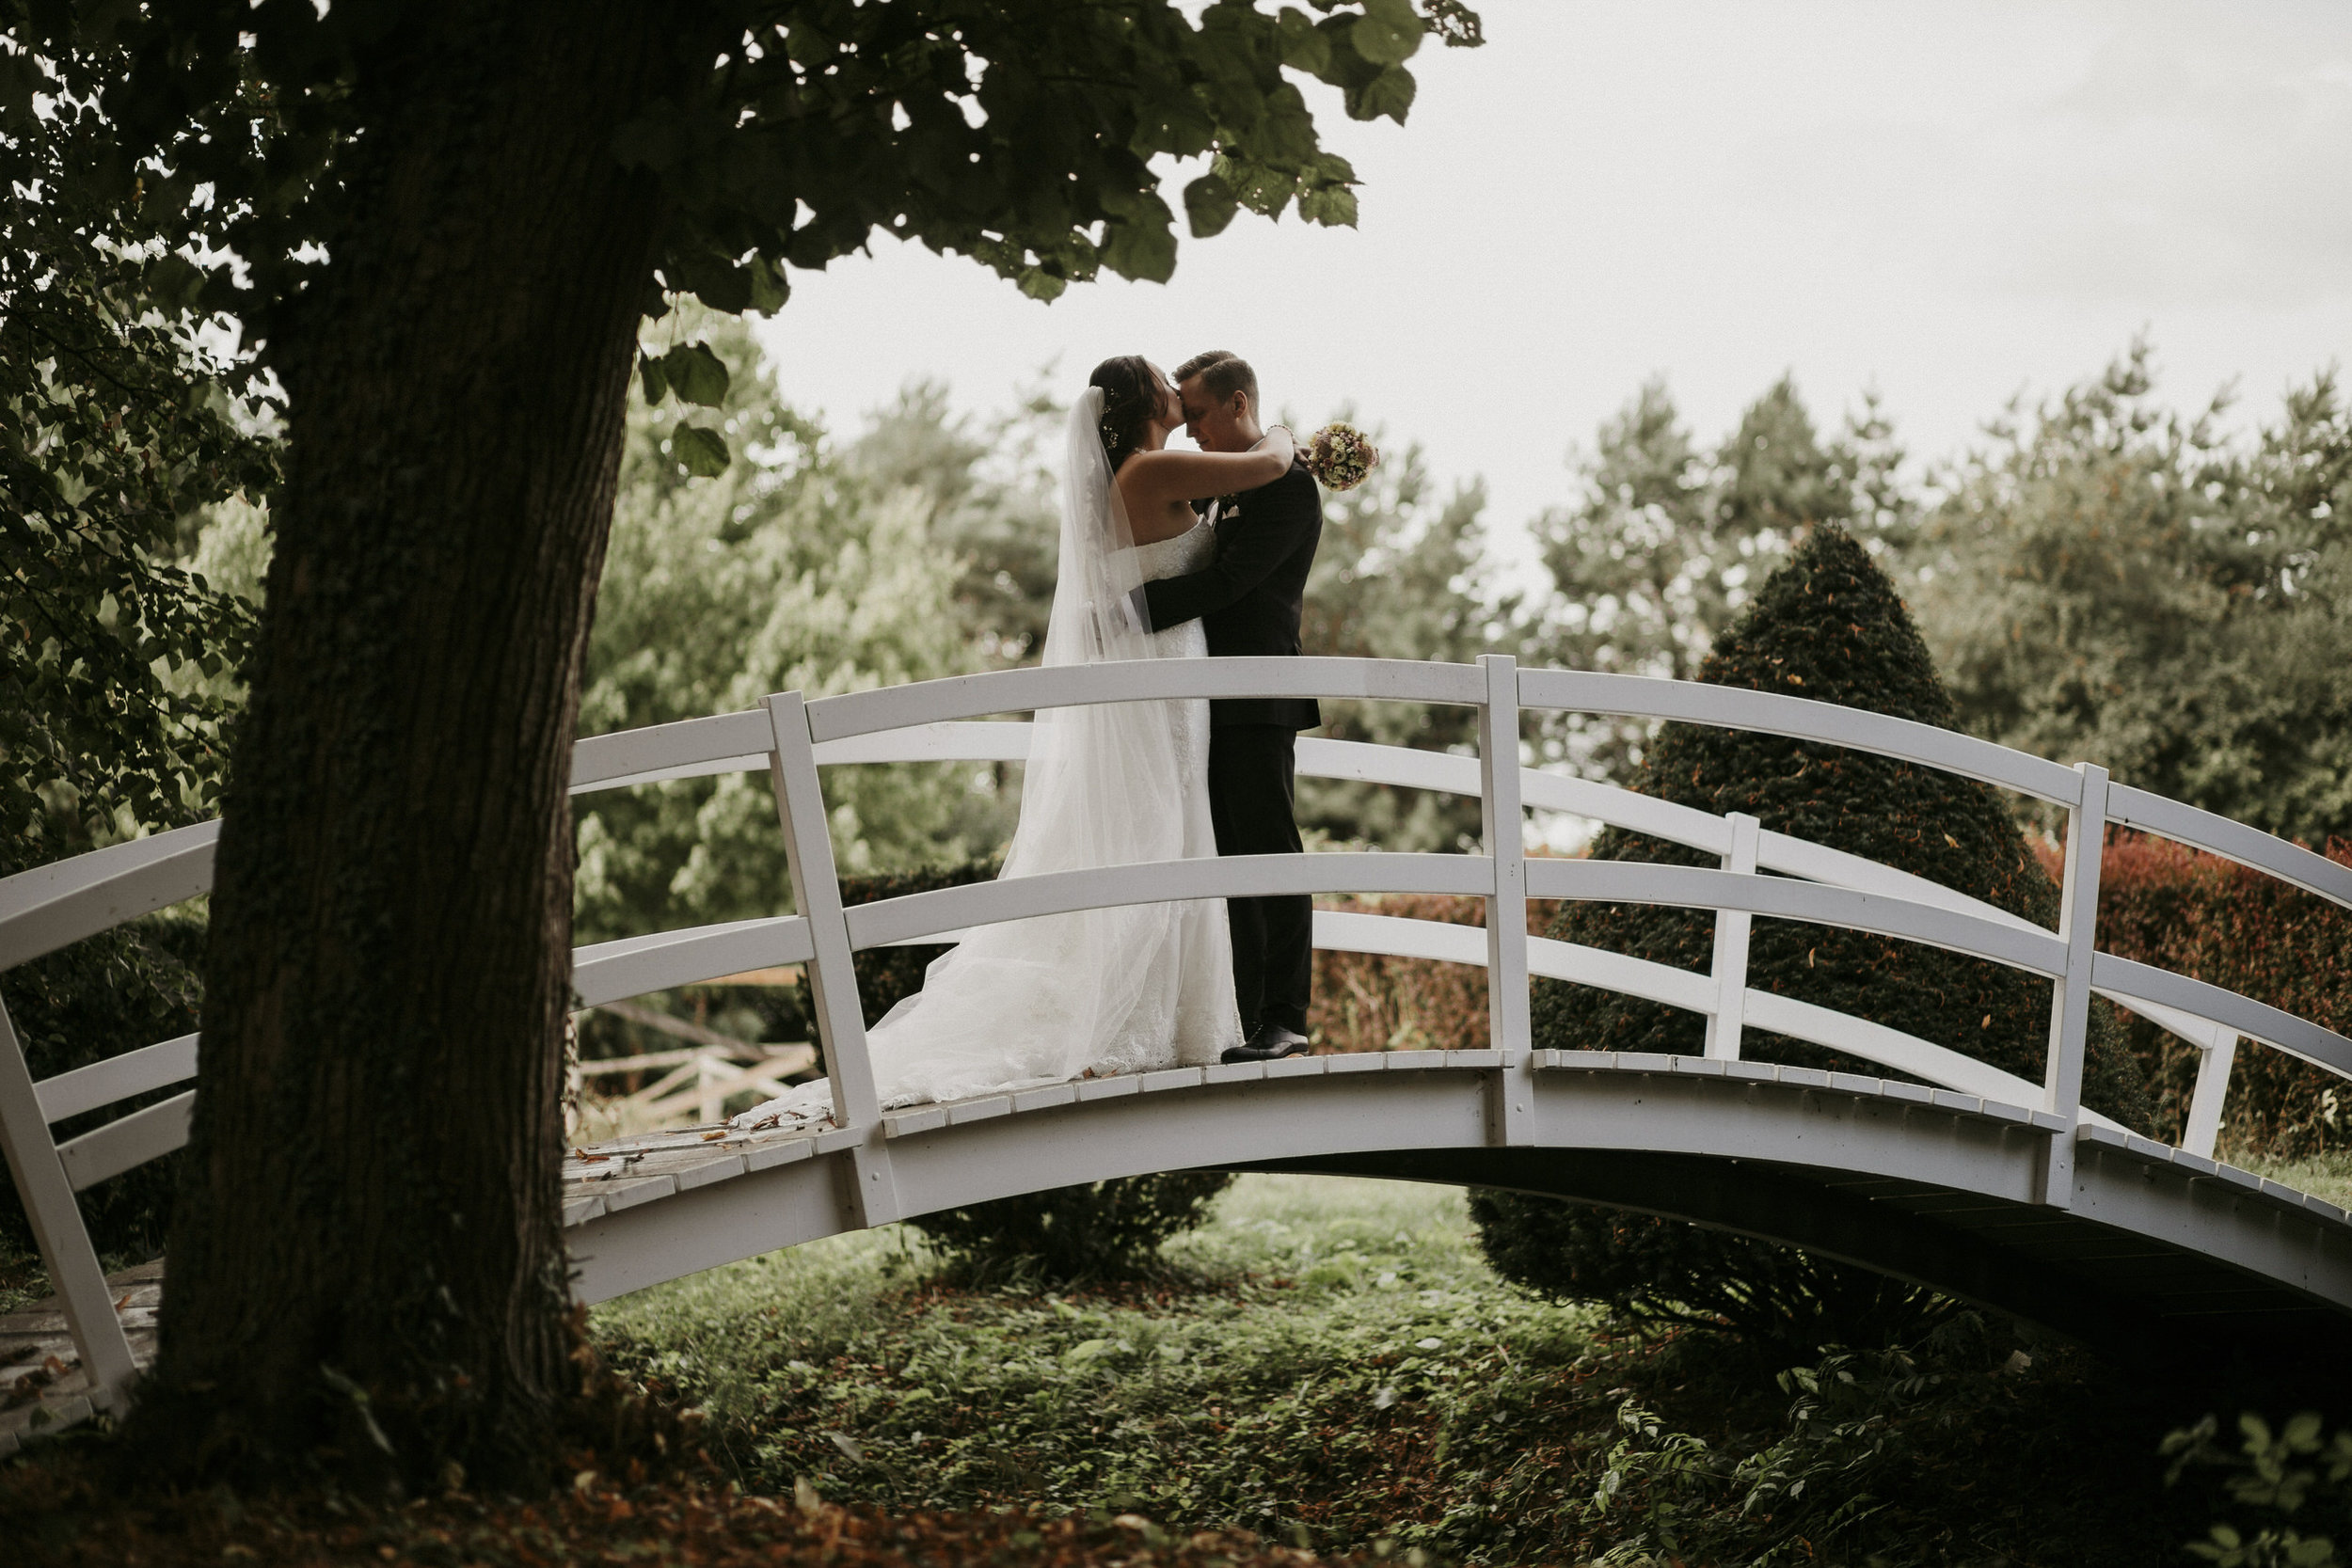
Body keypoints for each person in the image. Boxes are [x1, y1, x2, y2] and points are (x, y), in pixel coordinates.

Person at [734, 357, 1296, 1127]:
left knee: (1165, 824)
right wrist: (1296, 435)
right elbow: (1268, 461)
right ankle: (1147, 1012)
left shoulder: (1145, 471)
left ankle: (1175, 1012)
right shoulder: (1152, 467)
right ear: (1141, 405)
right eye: (1170, 391)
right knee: (1164, 825)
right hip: (1162, 670)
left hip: (1169, 670)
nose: (1180, 402)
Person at [1139, 352, 1323, 1064]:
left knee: (1270, 849)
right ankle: (1246, 1019)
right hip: (1207, 695)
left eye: (1199, 413)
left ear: (1238, 403)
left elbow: (1234, 580)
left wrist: (1131, 608)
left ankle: (1286, 1016)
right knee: (1228, 858)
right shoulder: (1226, 481)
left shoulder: (1290, 489)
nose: (1190, 430)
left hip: (1259, 691)